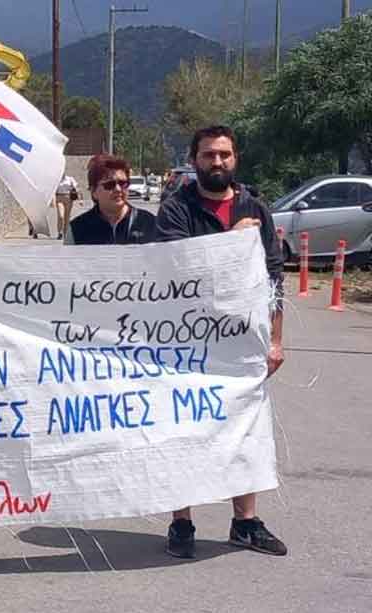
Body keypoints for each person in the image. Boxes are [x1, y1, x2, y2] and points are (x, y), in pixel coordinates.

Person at [155, 125, 287, 559]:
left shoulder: (255, 208)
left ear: (236, 158)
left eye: (224, 154)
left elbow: (274, 276)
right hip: (187, 342)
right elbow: (174, 266)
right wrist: (231, 241)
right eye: (209, 155)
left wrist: (276, 340)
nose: (217, 162)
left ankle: (245, 523)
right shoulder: (176, 209)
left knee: (243, 429)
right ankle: (181, 524)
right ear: (194, 160)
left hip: (242, 343)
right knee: (182, 430)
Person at [64, 154, 155, 246]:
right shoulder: (77, 229)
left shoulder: (149, 223)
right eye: (109, 185)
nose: (118, 189)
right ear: (94, 191)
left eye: (123, 183)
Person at [53, 173, 80, 239]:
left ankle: (66, 233)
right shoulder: (56, 179)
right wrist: (52, 200)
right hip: (59, 198)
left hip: (68, 198)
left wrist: (80, 199)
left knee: (67, 217)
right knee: (61, 216)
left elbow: (76, 188)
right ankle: (60, 232)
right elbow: (53, 190)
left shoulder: (70, 179)